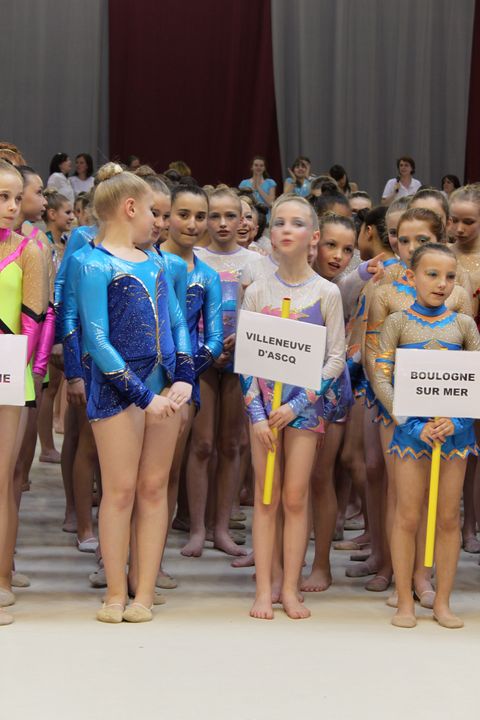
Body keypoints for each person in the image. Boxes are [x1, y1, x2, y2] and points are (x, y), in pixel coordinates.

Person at [77, 170, 194, 623]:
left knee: (152, 488)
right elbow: (96, 339)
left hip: (164, 388)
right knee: (120, 491)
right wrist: (144, 397)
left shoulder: (159, 263)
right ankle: (114, 592)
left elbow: (177, 322)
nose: (157, 221)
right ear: (130, 209)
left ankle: (143, 591)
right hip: (119, 391)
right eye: (151, 211)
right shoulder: (95, 264)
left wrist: (185, 376)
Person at [241, 195, 345, 619]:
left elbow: (335, 358)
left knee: (295, 497)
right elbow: (246, 362)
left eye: (297, 223)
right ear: (271, 233)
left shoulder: (327, 293)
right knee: (265, 499)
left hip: (304, 411)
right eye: (280, 222)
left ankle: (289, 587)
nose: (286, 229)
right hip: (262, 412)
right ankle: (263, 588)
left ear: (314, 237)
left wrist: (298, 404)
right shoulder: (257, 291)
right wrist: (257, 415)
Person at [365, 207, 472, 604]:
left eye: (449, 277)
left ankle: (435, 592)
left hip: (452, 428)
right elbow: (380, 369)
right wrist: (407, 419)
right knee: (405, 508)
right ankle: (401, 587)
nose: (442, 284)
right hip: (407, 425)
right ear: (411, 276)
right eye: (432, 275)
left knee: (445, 514)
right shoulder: (393, 313)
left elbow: (472, 376)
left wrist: (458, 420)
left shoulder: (462, 319)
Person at [182, 188, 260, 558]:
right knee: (202, 444)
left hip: (240, 358)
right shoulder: (193, 257)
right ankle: (197, 527)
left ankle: (222, 527)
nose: (224, 224)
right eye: (215, 216)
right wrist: (207, 347)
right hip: (201, 359)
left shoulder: (256, 261)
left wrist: (241, 338)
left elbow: (262, 310)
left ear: (244, 220)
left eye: (232, 216)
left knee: (232, 444)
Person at [0, 160, 44, 626]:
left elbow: (35, 320)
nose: (13, 207)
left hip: (8, 372)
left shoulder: (29, 250)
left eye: (16, 198)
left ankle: (1, 579)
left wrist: (13, 362)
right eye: (2, 197)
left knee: (0, 482)